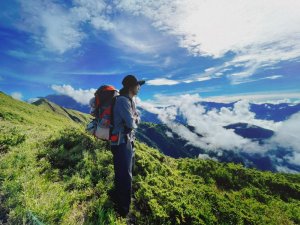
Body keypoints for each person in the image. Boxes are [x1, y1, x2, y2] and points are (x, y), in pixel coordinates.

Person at [110, 75, 145, 217]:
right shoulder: (123, 101)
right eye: (137, 85)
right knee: (125, 176)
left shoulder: (129, 101)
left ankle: (119, 200)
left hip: (126, 141)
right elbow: (132, 124)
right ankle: (123, 210)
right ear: (131, 87)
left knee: (124, 173)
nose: (139, 87)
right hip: (121, 143)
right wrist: (136, 118)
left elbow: (134, 120)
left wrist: (135, 118)